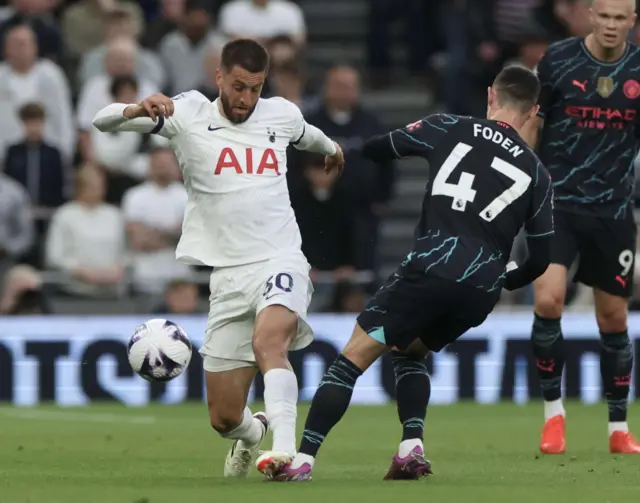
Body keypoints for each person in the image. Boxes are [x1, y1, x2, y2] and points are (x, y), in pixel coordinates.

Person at [270, 65, 554, 482]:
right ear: (533, 112)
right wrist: (501, 279)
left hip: (430, 269)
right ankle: (410, 448)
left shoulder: (447, 127)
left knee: (351, 359)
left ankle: (303, 460)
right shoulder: (538, 174)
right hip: (478, 291)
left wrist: (338, 149)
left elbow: (379, 147)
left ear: (491, 96)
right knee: (411, 352)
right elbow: (539, 260)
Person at [92, 38, 344, 478]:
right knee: (224, 418)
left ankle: (288, 453)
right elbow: (102, 122)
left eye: (256, 88)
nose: (246, 98)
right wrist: (135, 109)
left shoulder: (280, 114)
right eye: (239, 86)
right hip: (227, 276)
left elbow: (311, 136)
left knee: (271, 343)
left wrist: (333, 150)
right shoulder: (186, 113)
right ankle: (253, 434)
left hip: (280, 258)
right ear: (219, 78)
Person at [520, 0, 640, 455]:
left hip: (612, 212)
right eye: (604, 16)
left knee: (612, 318)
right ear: (590, 15)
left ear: (632, 21)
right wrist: (521, 179)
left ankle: (618, 428)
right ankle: (554, 418)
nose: (611, 26)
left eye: (620, 18)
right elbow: (534, 122)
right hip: (556, 204)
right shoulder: (558, 60)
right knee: (548, 299)